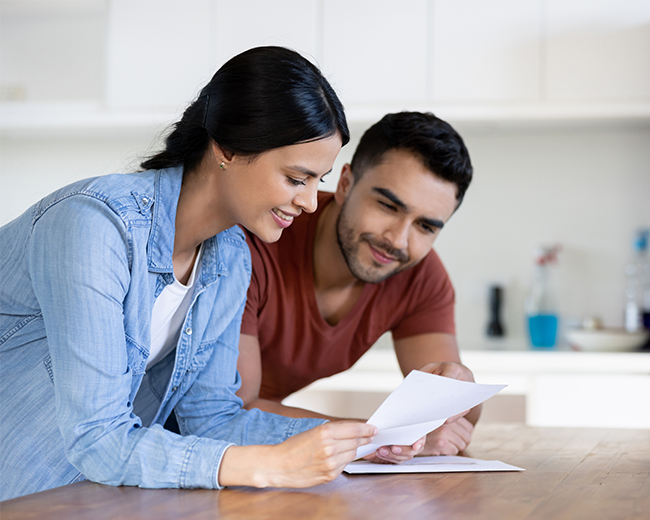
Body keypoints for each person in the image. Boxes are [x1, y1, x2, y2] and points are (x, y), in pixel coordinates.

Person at [0, 46, 379, 502]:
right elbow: (97, 437)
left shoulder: (232, 257)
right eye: (297, 179)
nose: (310, 202)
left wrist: (365, 440)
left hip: (65, 498)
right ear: (227, 148)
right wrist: (271, 466)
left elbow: (213, 419)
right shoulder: (94, 226)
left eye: (319, 180)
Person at [237, 111, 479, 462]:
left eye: (425, 227)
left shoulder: (420, 275)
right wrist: (378, 438)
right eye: (387, 205)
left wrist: (459, 386)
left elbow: (459, 424)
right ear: (345, 183)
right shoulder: (258, 241)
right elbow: (229, 413)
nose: (397, 240)